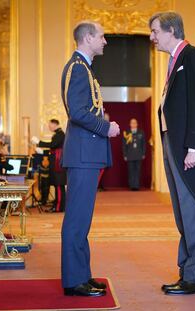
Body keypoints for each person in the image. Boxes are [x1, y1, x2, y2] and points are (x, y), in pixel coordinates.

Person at [149, 12, 195, 295]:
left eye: (155, 31)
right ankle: (187, 271)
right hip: (172, 144)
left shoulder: (193, 56)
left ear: (171, 30)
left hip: (188, 149)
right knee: (182, 213)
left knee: (192, 213)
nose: (152, 37)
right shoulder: (174, 60)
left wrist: (194, 147)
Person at [60, 21, 120, 297]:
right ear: (87, 38)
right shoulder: (77, 69)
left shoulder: (84, 69)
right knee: (76, 219)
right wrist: (105, 127)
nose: (105, 41)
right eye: (101, 36)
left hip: (87, 153)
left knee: (82, 220)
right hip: (83, 154)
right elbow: (78, 112)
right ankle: (74, 282)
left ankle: (82, 274)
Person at [32, 119, 67, 212]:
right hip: (56, 162)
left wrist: (39, 142)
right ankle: (57, 206)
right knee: (57, 185)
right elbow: (53, 148)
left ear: (55, 124)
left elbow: (53, 145)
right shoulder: (58, 134)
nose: (49, 127)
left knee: (59, 185)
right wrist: (43, 151)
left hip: (57, 163)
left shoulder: (60, 134)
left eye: (50, 125)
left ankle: (59, 207)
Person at [122, 118, 146, 190]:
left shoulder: (141, 132)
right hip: (130, 155)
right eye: (132, 123)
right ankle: (132, 186)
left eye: (135, 123)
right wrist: (125, 154)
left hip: (139, 154)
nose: (133, 124)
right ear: (130, 124)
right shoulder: (126, 133)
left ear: (137, 124)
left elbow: (143, 144)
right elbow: (124, 145)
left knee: (138, 171)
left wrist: (143, 153)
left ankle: (137, 186)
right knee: (131, 171)